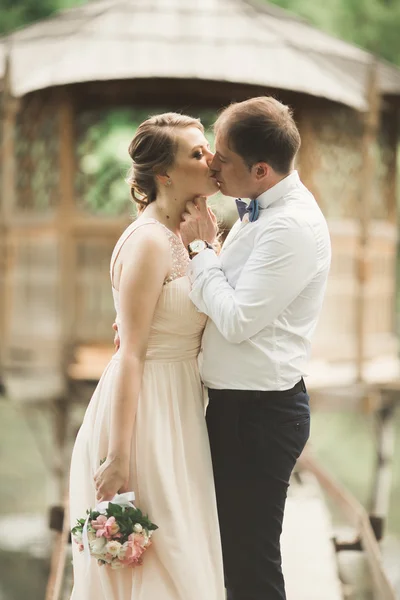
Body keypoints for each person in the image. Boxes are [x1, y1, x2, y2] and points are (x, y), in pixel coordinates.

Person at [180, 96, 332, 600]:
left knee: (250, 565)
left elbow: (240, 319)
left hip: (260, 416)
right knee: (230, 553)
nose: (211, 164)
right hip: (238, 407)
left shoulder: (290, 227)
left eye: (221, 157)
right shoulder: (258, 208)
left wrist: (201, 249)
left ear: (261, 170)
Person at [69, 113, 225, 600]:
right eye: (198, 154)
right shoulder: (151, 241)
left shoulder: (186, 234)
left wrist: (208, 247)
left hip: (179, 409)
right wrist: (118, 457)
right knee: (164, 563)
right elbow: (132, 354)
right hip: (144, 416)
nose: (212, 159)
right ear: (165, 174)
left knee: (184, 553)